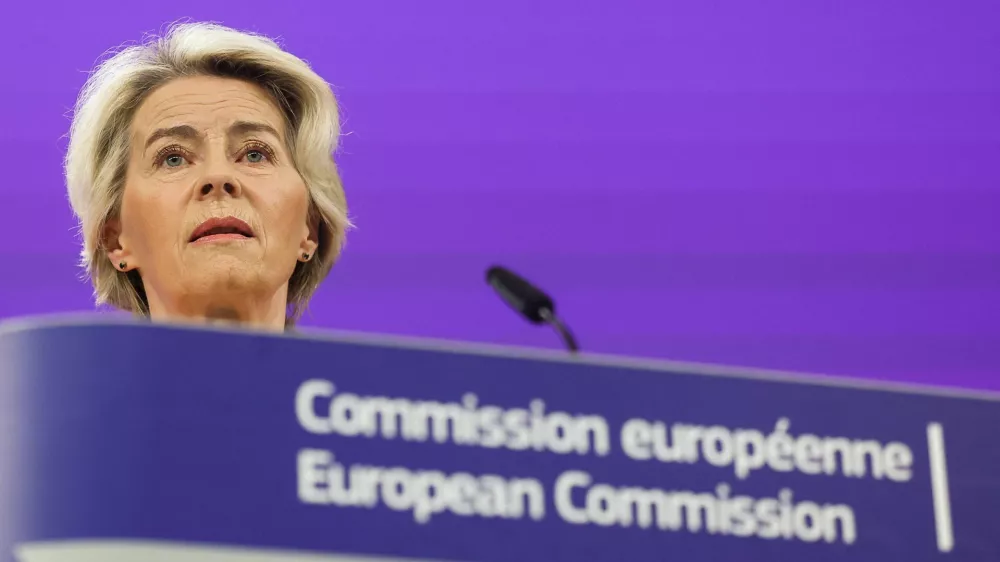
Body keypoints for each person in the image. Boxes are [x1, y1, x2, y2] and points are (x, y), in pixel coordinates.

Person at [65, 22, 350, 331]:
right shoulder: (49, 379)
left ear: (309, 228)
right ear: (115, 240)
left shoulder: (386, 380)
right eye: (173, 159)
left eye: (255, 153)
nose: (217, 177)